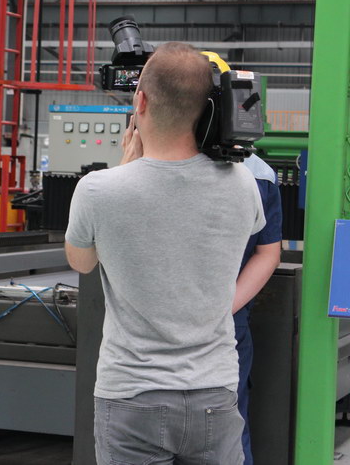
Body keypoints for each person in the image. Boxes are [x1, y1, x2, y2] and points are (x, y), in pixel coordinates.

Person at [65, 42, 266, 465]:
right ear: (208, 107)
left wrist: (124, 169)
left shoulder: (99, 190)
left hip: (132, 395)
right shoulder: (243, 184)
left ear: (140, 101)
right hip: (215, 393)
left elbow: (81, 262)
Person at [232, 154, 283, 465]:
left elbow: (85, 256)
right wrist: (222, 310)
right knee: (230, 432)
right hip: (227, 325)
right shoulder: (259, 173)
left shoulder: (144, 168)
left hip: (148, 333)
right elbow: (268, 253)